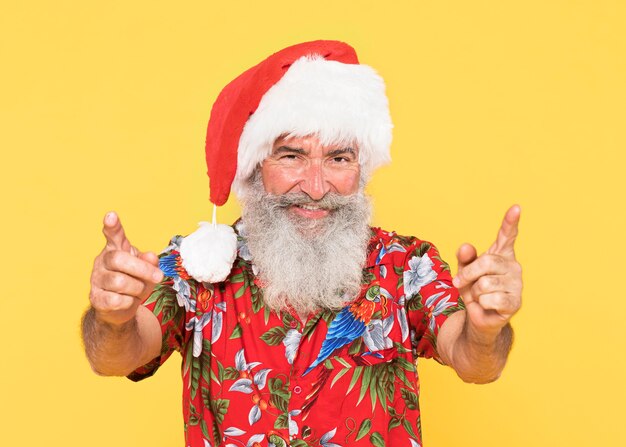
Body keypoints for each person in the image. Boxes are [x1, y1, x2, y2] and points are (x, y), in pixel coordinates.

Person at [82, 40, 522, 447]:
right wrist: (114, 319)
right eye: (291, 156)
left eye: (338, 158)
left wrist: (484, 331)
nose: (315, 186)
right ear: (255, 166)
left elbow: (473, 362)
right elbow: (115, 358)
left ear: (360, 170)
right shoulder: (197, 267)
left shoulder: (406, 266)